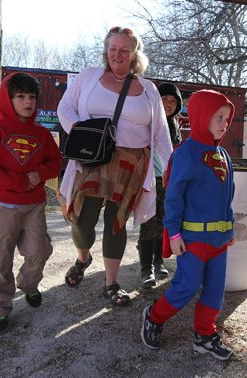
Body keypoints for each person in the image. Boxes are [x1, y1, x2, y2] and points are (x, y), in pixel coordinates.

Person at [57, 26, 173, 306]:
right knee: (82, 220)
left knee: (116, 224)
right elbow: (65, 108)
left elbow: (159, 132)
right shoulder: (88, 77)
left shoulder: (148, 89)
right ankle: (83, 258)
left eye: (124, 50)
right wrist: (83, 132)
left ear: (134, 54)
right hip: (94, 160)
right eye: (113, 49)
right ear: (105, 51)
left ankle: (111, 282)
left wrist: (170, 166)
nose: (117, 55)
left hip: (131, 165)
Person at [141, 89, 236, 361]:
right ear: (201, 115)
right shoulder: (185, 154)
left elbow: (227, 196)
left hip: (219, 243)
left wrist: (229, 228)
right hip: (192, 240)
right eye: (218, 116)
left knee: (216, 290)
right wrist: (173, 233)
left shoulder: (224, 156)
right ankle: (154, 316)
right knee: (186, 285)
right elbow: (174, 197)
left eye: (227, 118)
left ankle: (204, 335)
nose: (224, 123)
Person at [0, 73, 62, 333]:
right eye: (20, 96)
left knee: (39, 251)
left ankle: (29, 285)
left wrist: (39, 175)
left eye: (32, 97)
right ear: (8, 99)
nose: (27, 102)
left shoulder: (42, 134)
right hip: (4, 206)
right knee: (0, 257)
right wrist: (16, 181)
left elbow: (55, 162)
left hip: (34, 205)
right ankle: (0, 307)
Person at [137, 82, 182, 289]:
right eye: (164, 99)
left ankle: (158, 261)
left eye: (173, 101)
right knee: (148, 223)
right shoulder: (146, 122)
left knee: (163, 223)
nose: (168, 104)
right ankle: (146, 269)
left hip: (167, 182)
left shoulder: (174, 127)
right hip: (147, 179)